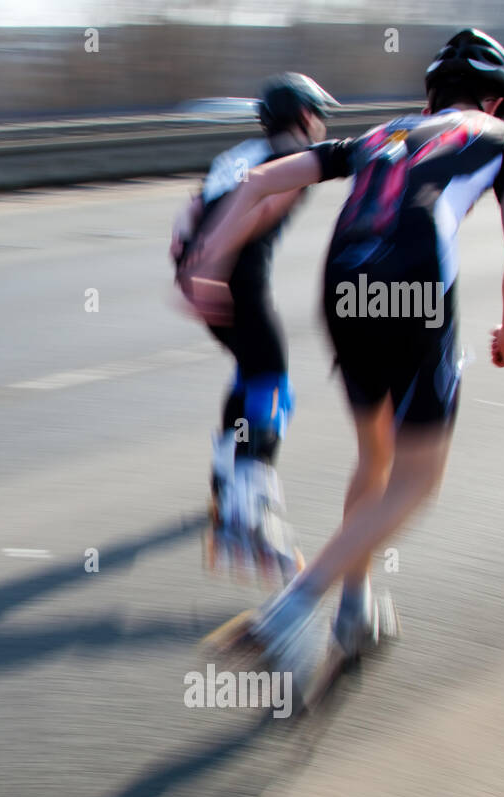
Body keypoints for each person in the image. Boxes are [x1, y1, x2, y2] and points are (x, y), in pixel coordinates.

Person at [181, 29, 504, 695]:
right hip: (414, 287)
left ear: (431, 95)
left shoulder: (382, 136)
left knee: (374, 458)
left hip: (343, 285)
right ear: (494, 103)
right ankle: (296, 607)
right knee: (414, 480)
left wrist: (211, 259)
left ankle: (357, 608)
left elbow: (260, 181)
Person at [171, 73, 339, 579]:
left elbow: (189, 212)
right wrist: (213, 271)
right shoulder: (293, 164)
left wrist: (187, 268)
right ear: (307, 117)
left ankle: (225, 484)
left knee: (250, 370)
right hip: (235, 282)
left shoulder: (240, 152)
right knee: (272, 381)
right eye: (320, 115)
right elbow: (258, 210)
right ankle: (251, 508)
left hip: (201, 275)